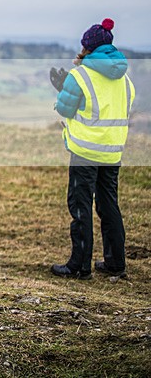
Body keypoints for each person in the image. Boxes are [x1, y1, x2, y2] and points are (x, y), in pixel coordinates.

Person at [50, 18, 135, 280]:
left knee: (80, 206)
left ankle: (79, 266)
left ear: (87, 47)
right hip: (112, 151)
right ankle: (115, 263)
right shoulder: (123, 78)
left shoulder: (81, 75)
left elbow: (65, 109)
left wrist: (63, 88)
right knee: (109, 205)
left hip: (85, 151)